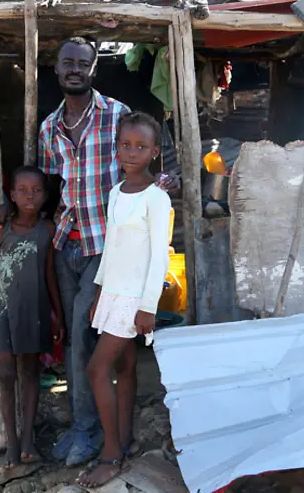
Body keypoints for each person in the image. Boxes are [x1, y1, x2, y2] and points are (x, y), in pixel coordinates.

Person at [0, 37, 179, 466]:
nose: (74, 70)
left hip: (104, 247)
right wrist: (10, 205)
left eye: (83, 64)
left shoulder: (115, 117)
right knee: (100, 345)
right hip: (66, 244)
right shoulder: (49, 127)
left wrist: (164, 183)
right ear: (56, 71)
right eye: (67, 63)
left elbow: (151, 161)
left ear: (94, 69)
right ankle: (120, 433)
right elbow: (48, 184)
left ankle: (87, 434)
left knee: (80, 340)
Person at [78, 111, 172, 487]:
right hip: (112, 291)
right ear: (116, 148)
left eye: (141, 146)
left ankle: (111, 454)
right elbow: (112, 247)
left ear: (154, 152)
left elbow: (160, 255)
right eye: (125, 145)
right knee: (123, 369)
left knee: (95, 369)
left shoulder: (156, 198)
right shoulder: (117, 192)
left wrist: (148, 305)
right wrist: (99, 290)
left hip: (135, 297)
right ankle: (127, 439)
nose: (131, 152)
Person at [0, 166, 66, 468]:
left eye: (37, 190)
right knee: (6, 376)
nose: (30, 196)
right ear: (12, 196)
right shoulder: (0, 230)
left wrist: (58, 317)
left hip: (36, 312)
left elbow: (50, 274)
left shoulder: (47, 230)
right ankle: (12, 444)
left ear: (45, 195)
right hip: (5, 312)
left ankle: (28, 439)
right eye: (23, 191)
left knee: (30, 374)